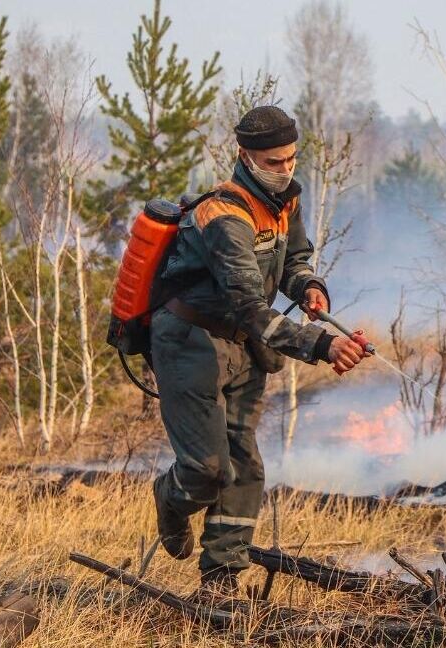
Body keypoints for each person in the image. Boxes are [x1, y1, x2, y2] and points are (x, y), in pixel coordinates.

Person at [149, 105, 369, 593]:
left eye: (291, 158)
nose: (286, 169)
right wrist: (323, 346)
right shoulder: (222, 214)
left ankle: (221, 581)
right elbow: (249, 304)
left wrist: (309, 286)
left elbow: (294, 258)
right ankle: (169, 496)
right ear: (244, 156)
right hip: (191, 343)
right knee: (207, 470)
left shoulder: (285, 199)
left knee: (244, 464)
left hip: (246, 347)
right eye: (273, 162)